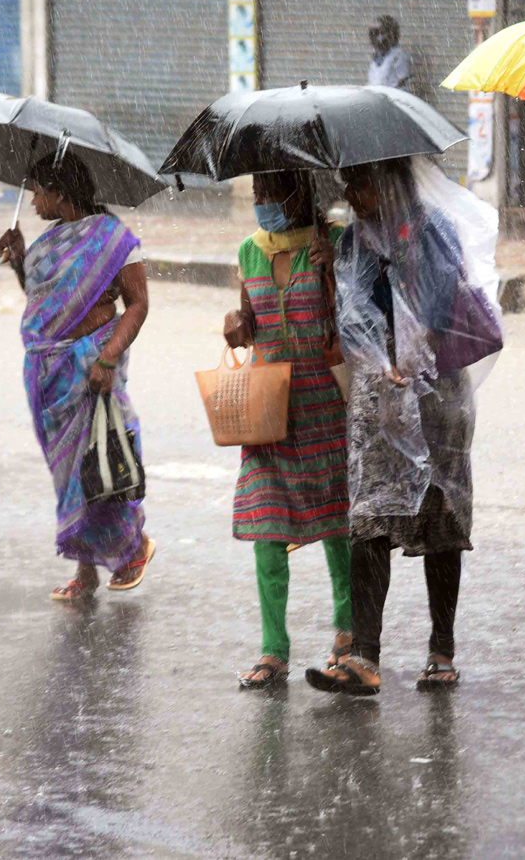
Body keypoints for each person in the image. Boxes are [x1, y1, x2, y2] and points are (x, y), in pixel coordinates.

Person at [305, 157, 502, 696]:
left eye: (361, 181)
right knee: (370, 517)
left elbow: (437, 308)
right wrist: (335, 265)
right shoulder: (351, 241)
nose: (351, 190)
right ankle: (364, 656)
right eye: (347, 181)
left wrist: (406, 361)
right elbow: (351, 317)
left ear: (390, 180)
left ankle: (442, 650)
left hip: (434, 393)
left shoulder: (430, 228)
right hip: (378, 396)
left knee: (439, 518)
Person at [0, 151, 155, 602]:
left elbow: (138, 304)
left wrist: (106, 359)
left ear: (60, 193)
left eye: (38, 191)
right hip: (49, 377)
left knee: (103, 461)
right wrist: (19, 260)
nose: (32, 200)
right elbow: (47, 302)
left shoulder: (113, 239)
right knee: (70, 474)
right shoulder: (47, 244)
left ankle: (134, 547)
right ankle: (86, 572)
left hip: (90, 371)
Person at [223, 170, 354, 689]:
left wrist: (334, 273)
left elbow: (362, 317)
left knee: (337, 525)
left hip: (326, 404)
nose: (261, 204)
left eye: (270, 195)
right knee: (266, 525)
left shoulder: (336, 243)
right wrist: (236, 322)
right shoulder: (250, 252)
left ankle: (348, 632)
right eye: (256, 196)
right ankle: (273, 649)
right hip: (269, 411)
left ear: (298, 195)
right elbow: (251, 322)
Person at [367, 15, 412, 90]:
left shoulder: (398, 56)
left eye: (381, 33)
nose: (378, 38)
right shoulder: (377, 57)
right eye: (374, 33)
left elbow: (402, 85)